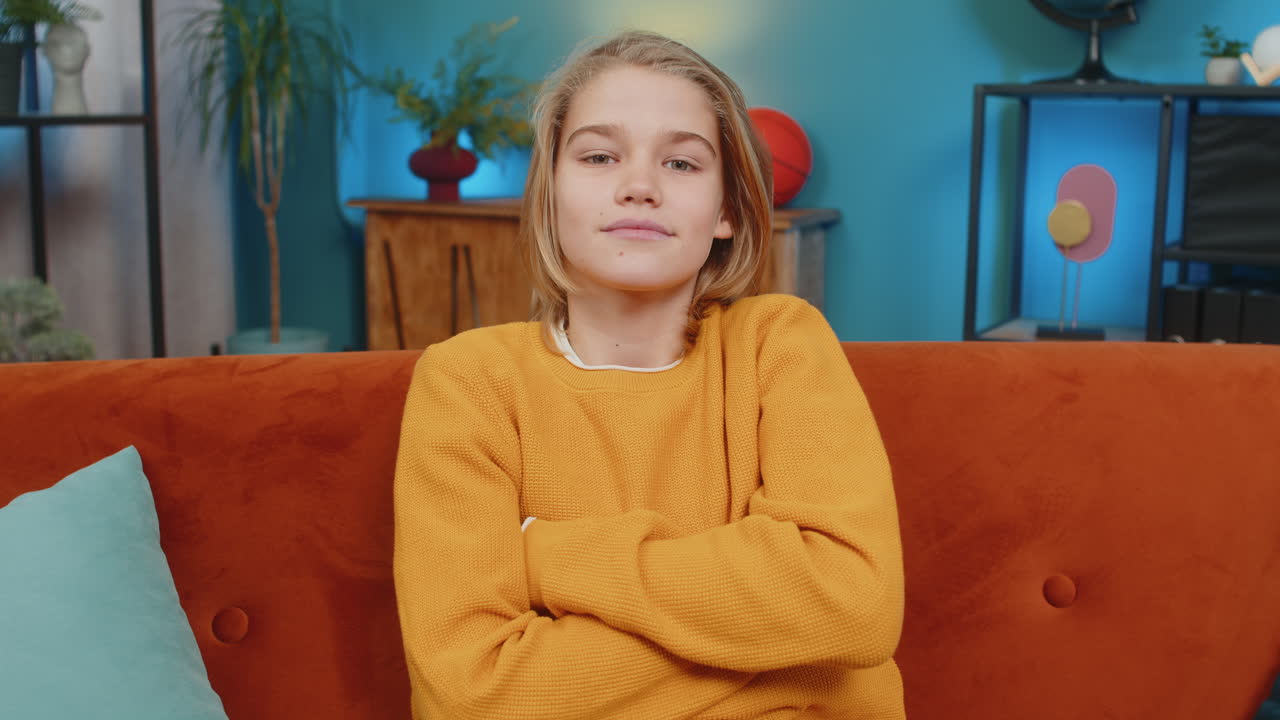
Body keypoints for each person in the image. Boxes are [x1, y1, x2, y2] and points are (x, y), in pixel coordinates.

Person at [393, 29, 905, 720]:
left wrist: (546, 555)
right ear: (550, 192)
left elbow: (855, 605)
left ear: (726, 209)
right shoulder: (468, 383)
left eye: (683, 164)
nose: (639, 187)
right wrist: (789, 662)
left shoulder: (782, 343)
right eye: (600, 156)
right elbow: (473, 697)